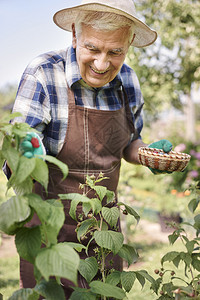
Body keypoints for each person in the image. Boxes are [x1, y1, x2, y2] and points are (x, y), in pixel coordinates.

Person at [11, 0, 173, 298]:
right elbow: (18, 146)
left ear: (128, 45)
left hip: (103, 230)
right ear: (74, 35)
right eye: (92, 49)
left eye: (115, 52)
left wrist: (147, 153)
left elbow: (128, 144)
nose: (102, 64)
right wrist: (25, 148)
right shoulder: (44, 73)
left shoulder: (128, 80)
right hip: (50, 233)